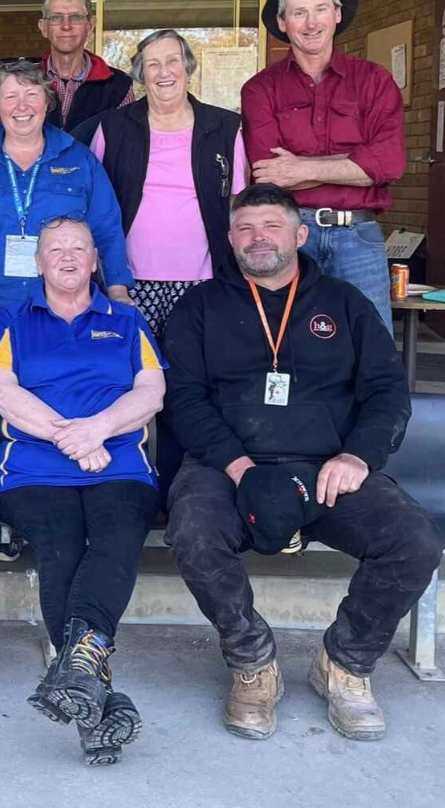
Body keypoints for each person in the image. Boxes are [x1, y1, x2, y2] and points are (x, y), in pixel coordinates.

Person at [163, 183, 443, 742]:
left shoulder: (345, 303)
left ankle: (345, 662)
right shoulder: (199, 307)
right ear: (230, 239)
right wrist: (238, 467)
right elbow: (184, 399)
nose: (256, 238)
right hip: (229, 466)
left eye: (270, 226)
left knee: (414, 540)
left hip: (327, 468)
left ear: (300, 235)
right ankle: (252, 661)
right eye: (244, 228)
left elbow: (388, 392)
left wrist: (357, 455)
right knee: (192, 532)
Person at [0, 57, 130, 561]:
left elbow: (105, 229)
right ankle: (3, 514)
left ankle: (49, 507)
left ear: (49, 103)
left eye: (32, 95)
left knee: (54, 400)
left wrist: (120, 293)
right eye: (10, 96)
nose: (22, 106)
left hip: (57, 313)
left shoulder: (78, 160)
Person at [0, 217, 165, 766]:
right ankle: (97, 696)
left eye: (78, 248)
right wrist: (73, 435)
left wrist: (100, 428)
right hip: (34, 468)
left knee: (116, 534)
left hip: (117, 463)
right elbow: (0, 390)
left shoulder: (127, 320)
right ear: (37, 262)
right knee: (61, 539)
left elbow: (152, 391)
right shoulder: (14, 318)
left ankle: (79, 682)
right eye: (54, 249)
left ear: (94, 261)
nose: (66, 257)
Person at [79, 29, 247, 493]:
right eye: (152, 64)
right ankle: (126, 482)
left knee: (190, 386)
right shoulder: (114, 128)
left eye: (173, 61)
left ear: (188, 67)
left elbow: (237, 206)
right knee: (125, 383)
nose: (164, 72)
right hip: (130, 283)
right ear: (140, 74)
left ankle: (180, 487)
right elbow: (95, 204)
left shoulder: (224, 127)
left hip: (201, 281)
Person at [242, 0, 405, 332]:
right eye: (298, 12)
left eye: (320, 9)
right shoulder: (260, 89)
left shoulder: (374, 81)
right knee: (288, 339)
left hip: (359, 236)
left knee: (371, 339)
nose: (310, 22)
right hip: (291, 231)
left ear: (337, 14)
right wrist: (356, 164)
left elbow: (389, 162)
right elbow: (269, 174)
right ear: (282, 22)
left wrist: (302, 168)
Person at [36, 0, 134, 134]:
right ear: (43, 28)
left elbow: (125, 144)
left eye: (75, 17)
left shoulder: (118, 85)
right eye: (56, 18)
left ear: (90, 25)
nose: (66, 26)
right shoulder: (24, 81)